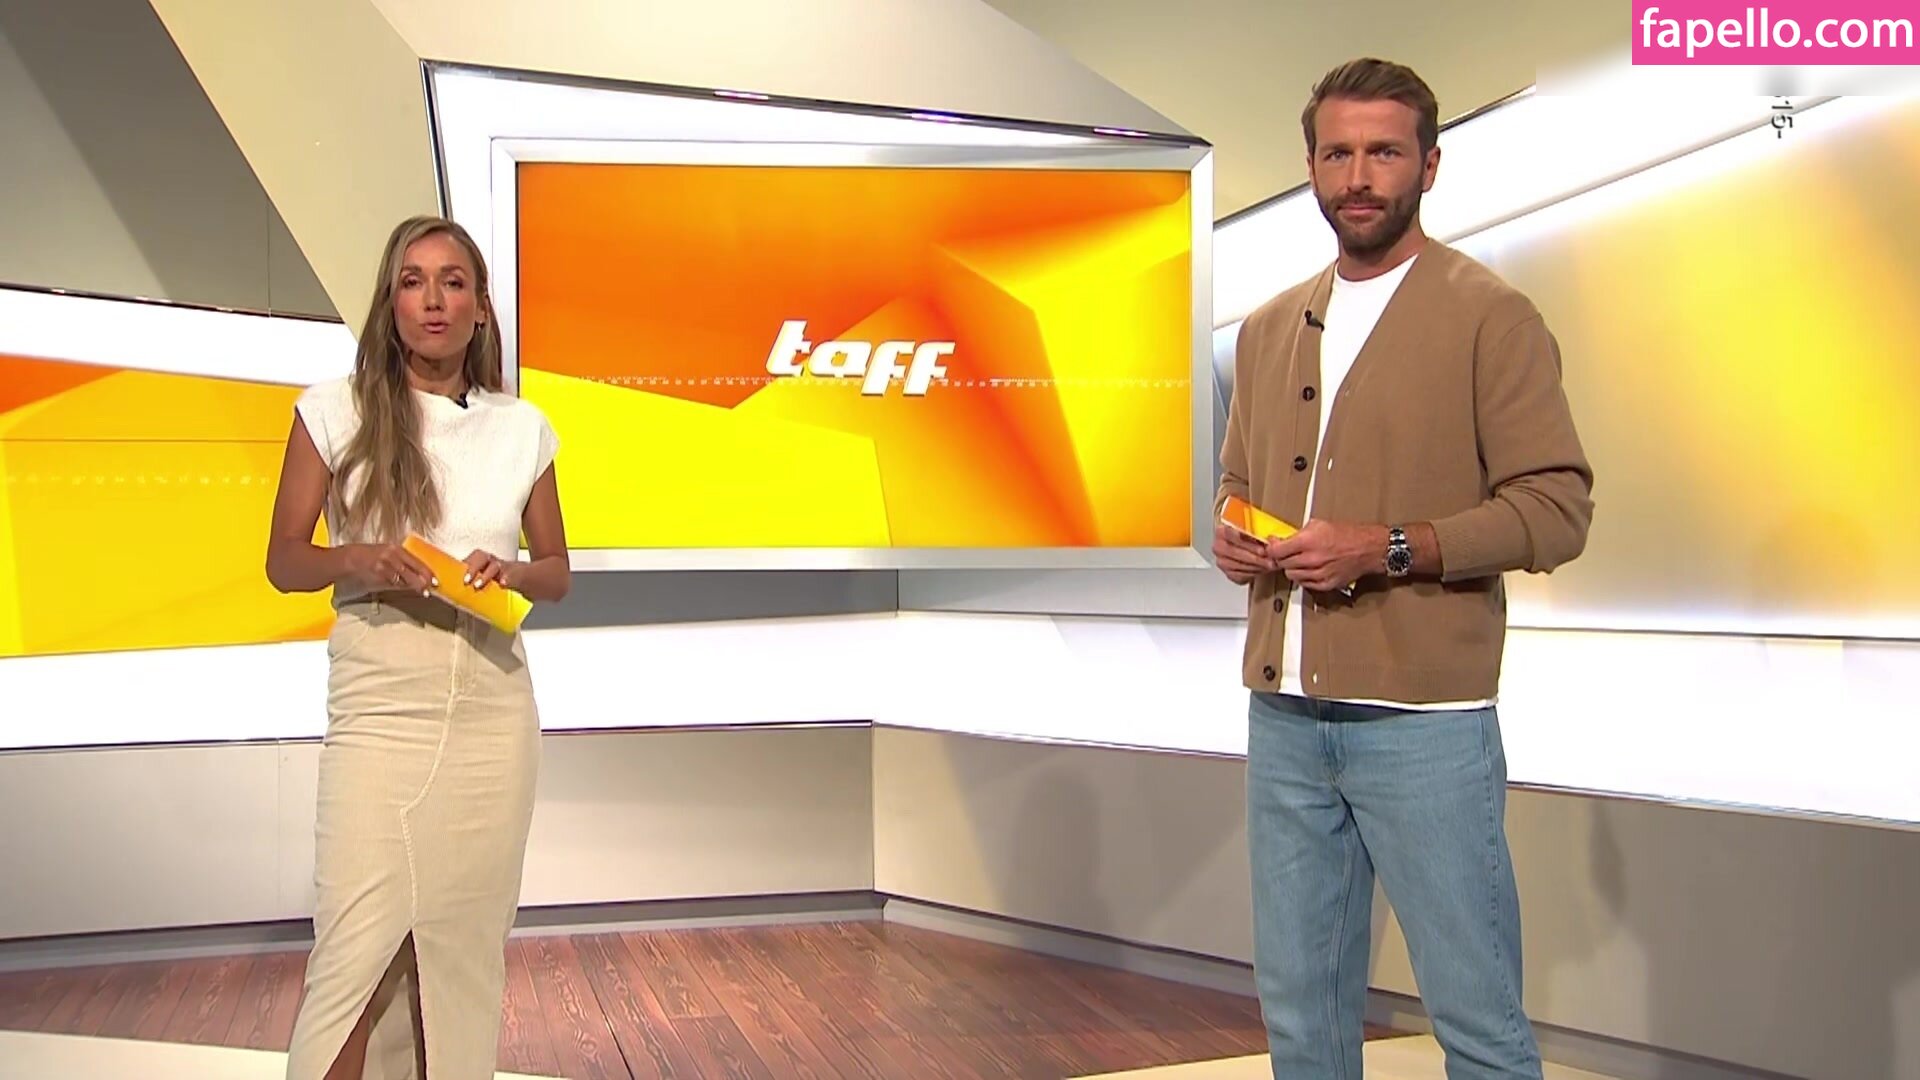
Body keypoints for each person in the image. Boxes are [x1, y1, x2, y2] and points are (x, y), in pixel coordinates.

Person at [1213, 59, 1594, 1079]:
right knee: (1302, 1020)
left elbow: (1556, 512)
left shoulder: (1490, 317)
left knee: (1476, 1020)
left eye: (1384, 152)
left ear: (1429, 165)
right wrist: (1233, 533)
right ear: (1310, 167)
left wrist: (1385, 547)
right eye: (1337, 153)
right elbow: (1238, 484)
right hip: (1285, 716)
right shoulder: (1266, 330)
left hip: (1425, 726)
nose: (1359, 177)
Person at [266, 215, 569, 1078]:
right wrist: (360, 559)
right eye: (412, 281)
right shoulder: (334, 411)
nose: (433, 300)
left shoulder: (522, 428)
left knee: (460, 955)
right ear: (390, 303)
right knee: (355, 957)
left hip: (492, 707)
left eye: (452, 282)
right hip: (382, 705)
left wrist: (512, 571)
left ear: (481, 308)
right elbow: (284, 560)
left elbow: (557, 572)